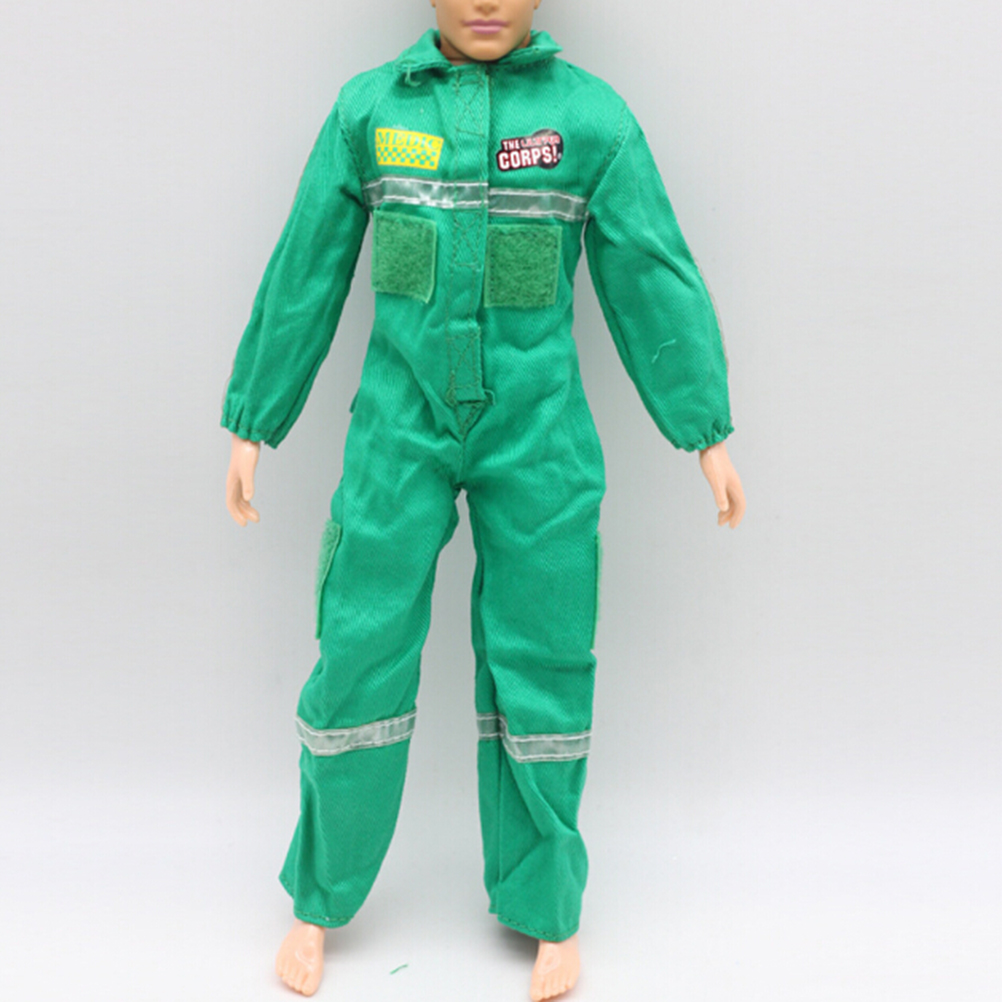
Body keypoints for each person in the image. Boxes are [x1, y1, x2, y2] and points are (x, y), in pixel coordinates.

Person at [223, 1, 746, 997]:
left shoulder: (589, 120)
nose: (486, 1)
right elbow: (305, 269)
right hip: (398, 430)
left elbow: (651, 273)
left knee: (543, 657)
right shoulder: (371, 113)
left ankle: (547, 907)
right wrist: (255, 416)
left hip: (538, 436)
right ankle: (318, 898)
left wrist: (704, 429)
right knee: (359, 645)